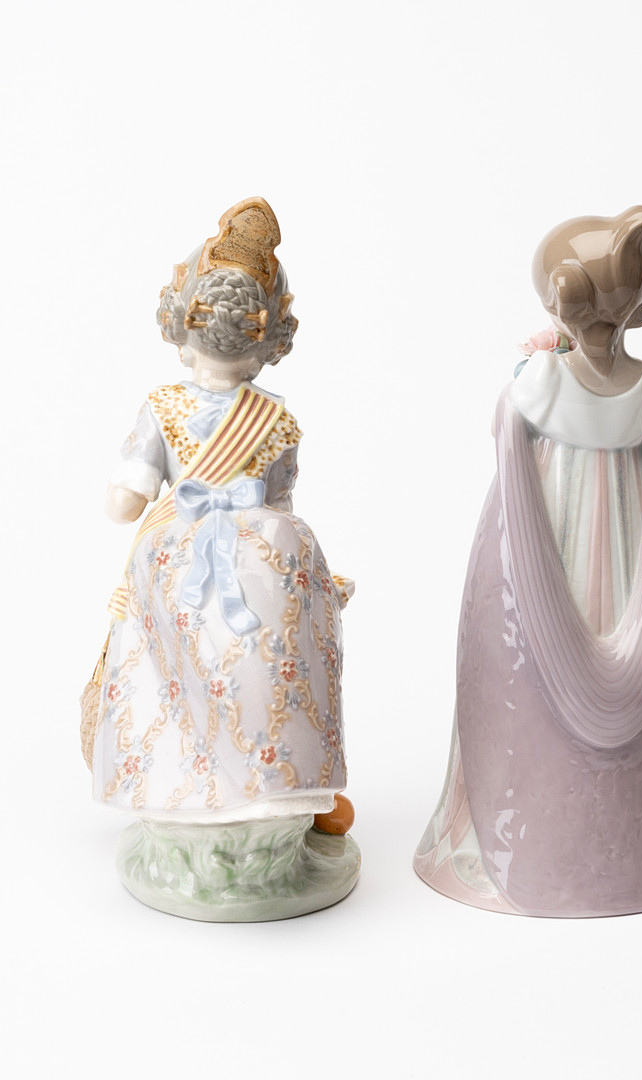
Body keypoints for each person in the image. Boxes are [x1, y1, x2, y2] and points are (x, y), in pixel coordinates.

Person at [415, 207, 642, 916]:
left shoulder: (541, 382)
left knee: (518, 663)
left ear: (560, 299)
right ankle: (634, 841)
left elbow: (504, 425)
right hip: (632, 534)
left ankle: (525, 840)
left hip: (548, 523)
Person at [82, 198, 358, 919]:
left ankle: (184, 793)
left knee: (169, 678)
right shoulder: (279, 420)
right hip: (268, 558)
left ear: (181, 330)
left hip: (178, 561)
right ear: (269, 342)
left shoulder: (162, 407)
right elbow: (281, 504)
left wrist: (136, 490)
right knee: (274, 671)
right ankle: (278, 788)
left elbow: (124, 503)